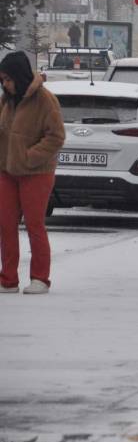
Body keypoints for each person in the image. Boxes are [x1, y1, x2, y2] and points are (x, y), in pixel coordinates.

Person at [0, 51, 65, 294]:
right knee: (5, 224)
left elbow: (56, 137)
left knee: (34, 224)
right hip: (7, 170)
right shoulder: (7, 100)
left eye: (8, 79)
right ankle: (8, 279)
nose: (5, 84)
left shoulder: (44, 100)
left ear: (19, 76)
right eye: (2, 80)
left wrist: (29, 157)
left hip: (36, 172)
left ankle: (40, 278)